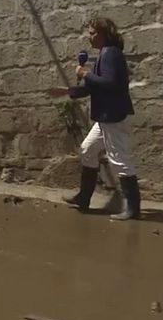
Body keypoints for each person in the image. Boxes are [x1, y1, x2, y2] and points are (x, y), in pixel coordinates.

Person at [48, 18, 140, 220]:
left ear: (104, 33)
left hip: (113, 116)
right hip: (106, 116)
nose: (89, 37)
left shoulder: (110, 53)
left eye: (92, 33)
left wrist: (85, 73)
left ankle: (133, 209)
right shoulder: (105, 53)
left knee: (119, 159)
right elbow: (95, 87)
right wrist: (68, 91)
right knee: (88, 150)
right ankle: (84, 198)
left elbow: (110, 82)